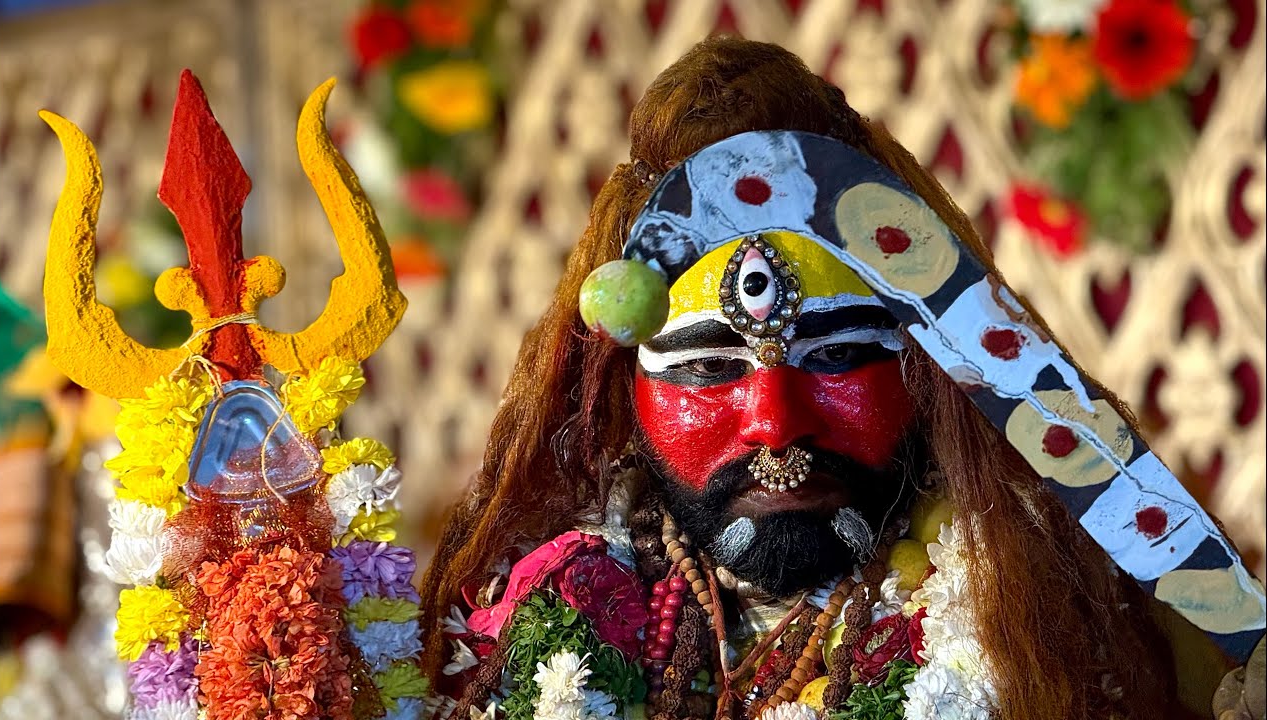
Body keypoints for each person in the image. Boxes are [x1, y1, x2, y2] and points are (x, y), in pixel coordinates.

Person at [419, 37, 1263, 720]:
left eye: (834, 356)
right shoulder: (540, 612)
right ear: (626, 394)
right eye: (710, 368)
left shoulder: (1064, 615)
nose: (775, 422)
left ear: (926, 366)